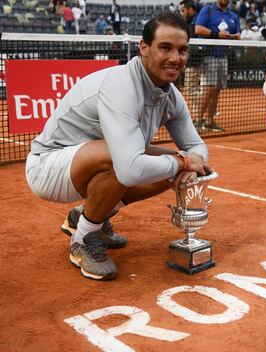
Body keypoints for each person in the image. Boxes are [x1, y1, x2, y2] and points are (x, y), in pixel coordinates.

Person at [25, 13, 213, 281]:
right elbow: (129, 169)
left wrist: (190, 163)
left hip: (88, 161)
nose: (175, 58)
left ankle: (85, 218)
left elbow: (195, 145)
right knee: (130, 160)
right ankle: (84, 239)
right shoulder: (121, 85)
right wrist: (184, 162)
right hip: (48, 168)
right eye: (165, 48)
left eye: (182, 50)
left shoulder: (170, 94)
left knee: (168, 162)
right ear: (144, 48)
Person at [195, 0, 240, 132]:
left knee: (217, 90)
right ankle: (198, 120)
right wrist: (216, 34)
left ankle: (209, 121)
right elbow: (198, 29)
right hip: (209, 55)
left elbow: (238, 36)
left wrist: (234, 37)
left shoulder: (233, 16)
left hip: (223, 56)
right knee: (208, 89)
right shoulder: (208, 10)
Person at [179, 0, 203, 132]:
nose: (182, 13)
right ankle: (199, 115)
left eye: (183, 10)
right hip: (192, 60)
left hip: (194, 61)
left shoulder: (194, 22)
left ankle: (198, 116)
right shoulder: (189, 22)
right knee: (194, 89)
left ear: (190, 10)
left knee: (190, 89)